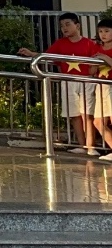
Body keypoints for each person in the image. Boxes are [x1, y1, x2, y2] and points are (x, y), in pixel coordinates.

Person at [20, 13, 101, 154]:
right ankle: (82, 145)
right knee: (74, 115)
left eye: (68, 24)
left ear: (77, 25)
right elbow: (47, 56)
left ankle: (91, 146)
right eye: (62, 25)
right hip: (67, 81)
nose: (64, 28)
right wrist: (31, 53)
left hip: (86, 81)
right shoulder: (60, 43)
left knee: (87, 115)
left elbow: (96, 61)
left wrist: (93, 71)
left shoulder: (89, 43)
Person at [88, 19, 112, 160]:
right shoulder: (96, 48)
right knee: (98, 121)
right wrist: (95, 63)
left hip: (110, 86)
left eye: (107, 31)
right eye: (101, 31)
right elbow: (91, 71)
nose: (103, 34)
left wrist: (104, 58)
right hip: (101, 86)